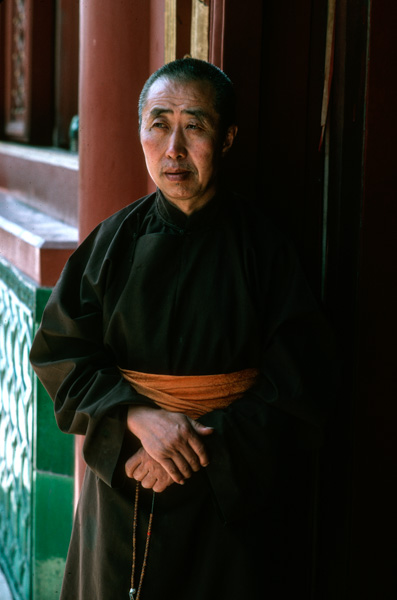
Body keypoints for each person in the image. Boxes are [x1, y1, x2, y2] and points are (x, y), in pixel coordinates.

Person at [30, 58, 335, 599]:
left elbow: (300, 381)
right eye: (158, 123)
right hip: (125, 480)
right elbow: (60, 354)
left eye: (194, 125)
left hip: (228, 498)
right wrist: (136, 417)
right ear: (140, 132)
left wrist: (192, 447)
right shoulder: (112, 243)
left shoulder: (265, 251)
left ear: (227, 137)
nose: (173, 148)